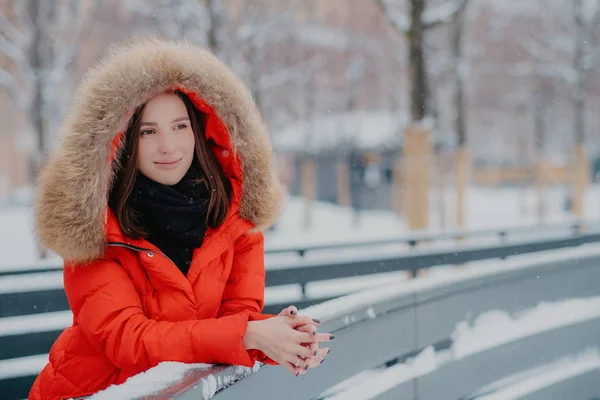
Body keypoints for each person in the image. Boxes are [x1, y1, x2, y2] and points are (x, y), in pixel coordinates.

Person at [29, 37, 332, 400]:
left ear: (201, 131)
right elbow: (128, 340)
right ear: (123, 141)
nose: (169, 146)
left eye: (180, 126)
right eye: (148, 131)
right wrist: (250, 335)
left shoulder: (234, 222)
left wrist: (283, 338)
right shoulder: (95, 229)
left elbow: (230, 322)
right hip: (91, 392)